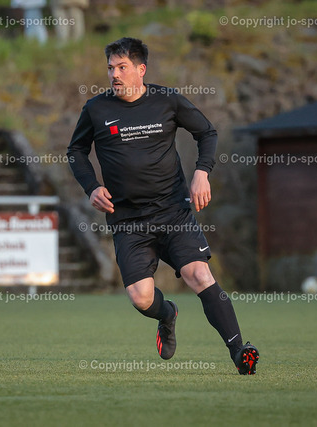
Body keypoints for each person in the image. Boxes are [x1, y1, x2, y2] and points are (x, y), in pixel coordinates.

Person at [66, 37, 259, 374]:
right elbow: (76, 151)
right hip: (128, 220)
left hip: (173, 211)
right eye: (110, 67)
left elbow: (207, 133)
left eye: (122, 67)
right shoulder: (96, 109)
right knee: (141, 297)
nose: (114, 74)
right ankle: (167, 314)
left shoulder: (167, 100)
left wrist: (202, 172)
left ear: (141, 69)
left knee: (199, 274)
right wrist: (92, 187)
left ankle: (239, 352)